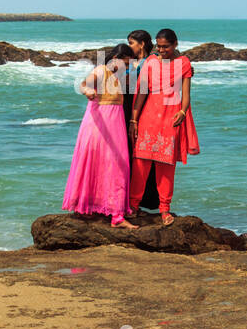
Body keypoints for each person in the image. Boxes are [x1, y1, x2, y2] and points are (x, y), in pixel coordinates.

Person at [128, 29, 199, 226]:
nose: (161, 50)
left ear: (175, 44)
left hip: (171, 115)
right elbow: (142, 92)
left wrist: (183, 112)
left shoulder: (183, 63)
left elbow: (186, 92)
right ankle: (133, 206)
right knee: (140, 163)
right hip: (149, 115)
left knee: (166, 166)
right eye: (159, 46)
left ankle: (165, 210)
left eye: (165, 47)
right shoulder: (151, 61)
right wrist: (134, 120)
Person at [64, 44, 137, 228]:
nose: (126, 68)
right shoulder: (101, 70)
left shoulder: (121, 76)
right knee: (96, 163)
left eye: (128, 65)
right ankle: (99, 210)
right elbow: (83, 84)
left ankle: (115, 212)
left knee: (115, 165)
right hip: (98, 124)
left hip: (115, 123)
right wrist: (87, 91)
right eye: (125, 63)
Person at [124, 30, 159, 211]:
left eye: (131, 42)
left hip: (142, 109)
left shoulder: (151, 61)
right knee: (129, 152)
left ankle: (146, 200)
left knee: (142, 153)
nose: (129, 46)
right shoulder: (130, 60)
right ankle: (129, 199)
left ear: (142, 44)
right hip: (126, 108)